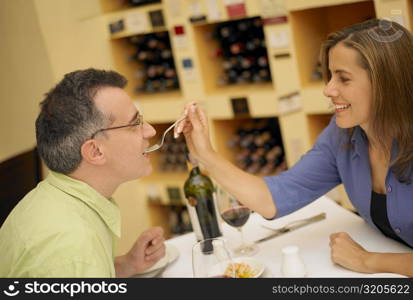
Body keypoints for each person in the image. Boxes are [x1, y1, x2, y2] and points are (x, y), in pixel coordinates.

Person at [175, 19, 413, 277]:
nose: (328, 89)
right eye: (330, 75)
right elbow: (273, 198)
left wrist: (369, 261)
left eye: (343, 79)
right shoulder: (342, 136)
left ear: (386, 83)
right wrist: (205, 154)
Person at [0, 69, 165, 277]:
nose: (150, 131)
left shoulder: (59, 202)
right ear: (95, 151)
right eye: (135, 124)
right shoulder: (70, 247)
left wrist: (126, 266)